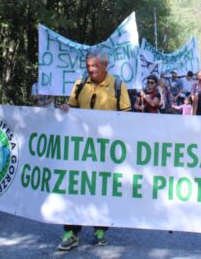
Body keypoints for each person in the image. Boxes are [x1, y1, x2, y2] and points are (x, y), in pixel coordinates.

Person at [57, 48, 130, 251]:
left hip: (107, 149)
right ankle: (71, 232)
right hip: (80, 149)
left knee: (102, 188)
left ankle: (100, 230)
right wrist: (65, 109)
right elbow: (71, 109)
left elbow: (128, 118)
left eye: (94, 66)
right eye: (88, 65)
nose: (91, 69)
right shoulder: (80, 84)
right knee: (74, 187)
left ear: (105, 65)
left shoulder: (117, 86)